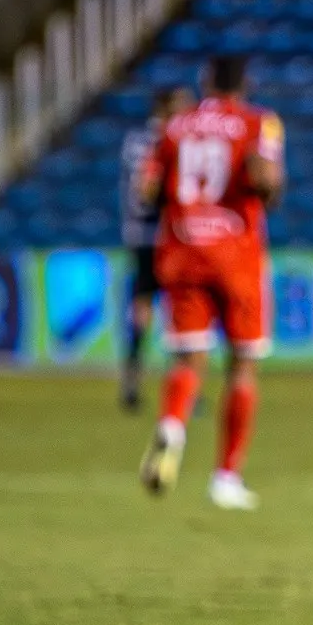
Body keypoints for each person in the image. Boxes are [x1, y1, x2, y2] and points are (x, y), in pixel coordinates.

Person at [137, 55, 284, 510]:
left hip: (182, 252)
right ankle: (226, 478)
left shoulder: (174, 125)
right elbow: (266, 180)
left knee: (188, 360)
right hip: (236, 257)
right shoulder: (258, 123)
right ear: (244, 85)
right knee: (242, 366)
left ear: (205, 82)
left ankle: (172, 424)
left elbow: (146, 189)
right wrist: (266, 187)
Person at [118, 87, 193, 412]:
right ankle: (185, 388)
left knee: (142, 305)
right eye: (182, 107)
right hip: (169, 236)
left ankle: (132, 381)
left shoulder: (134, 141)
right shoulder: (171, 141)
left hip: (139, 235)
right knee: (182, 310)